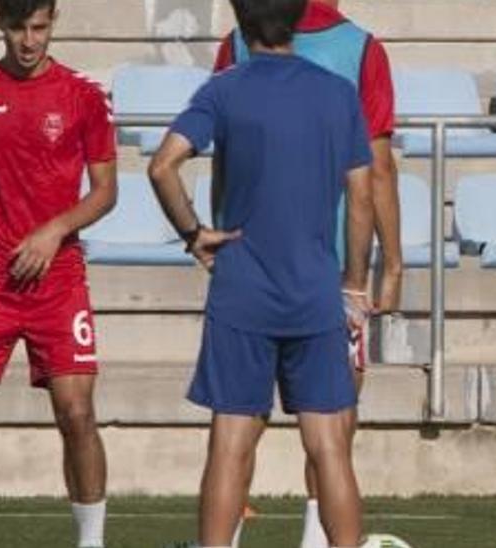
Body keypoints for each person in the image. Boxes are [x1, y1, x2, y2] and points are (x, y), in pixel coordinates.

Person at [146, 0, 375, 545]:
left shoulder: (225, 89)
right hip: (316, 289)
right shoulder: (337, 94)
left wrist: (193, 232)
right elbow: (362, 196)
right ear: (297, 17)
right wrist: (355, 282)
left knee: (230, 442)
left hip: (242, 288)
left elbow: (161, 166)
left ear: (240, 20)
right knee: (328, 447)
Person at [212, 2, 401, 545]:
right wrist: (387, 264)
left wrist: (221, 245)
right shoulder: (362, 49)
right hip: (329, 270)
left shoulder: (239, 40)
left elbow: (223, 158)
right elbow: (377, 167)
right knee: (331, 432)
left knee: (234, 427)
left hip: (250, 266)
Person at [0, 1, 117, 546]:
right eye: (18, 27)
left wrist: (54, 229)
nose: (28, 40)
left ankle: (91, 541)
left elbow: (106, 191)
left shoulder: (83, 96)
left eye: (39, 27)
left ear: (53, 21)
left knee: (76, 412)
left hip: (57, 280)